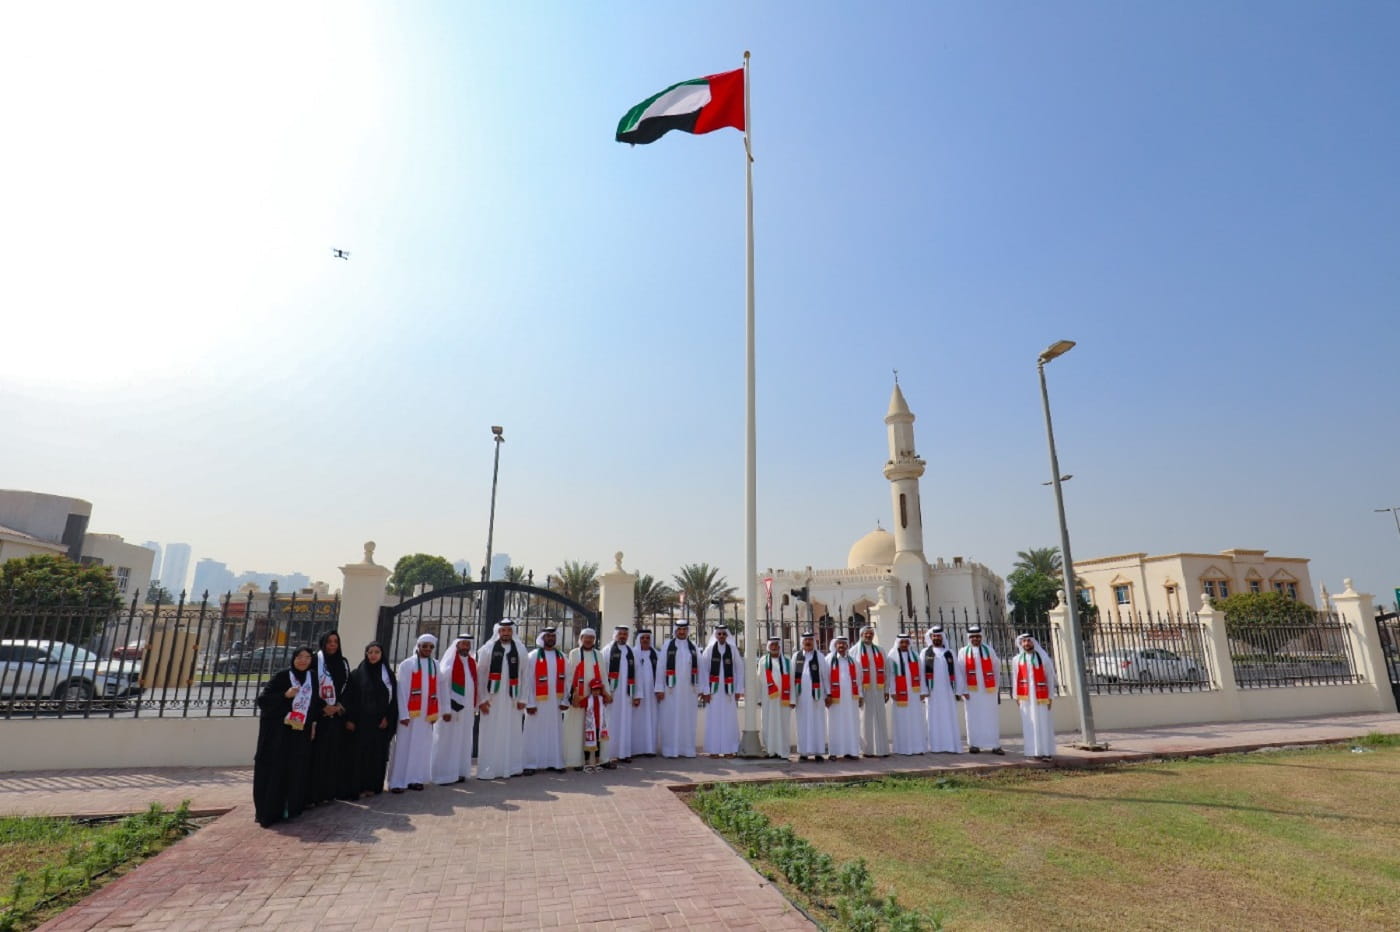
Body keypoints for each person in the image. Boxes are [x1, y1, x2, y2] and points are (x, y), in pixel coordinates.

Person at [253, 645, 317, 827]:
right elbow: (263, 701)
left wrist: (313, 724)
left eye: (307, 657)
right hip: (278, 734)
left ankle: (291, 808)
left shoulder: (311, 678)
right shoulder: (283, 676)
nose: (303, 660)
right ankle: (270, 811)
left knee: (294, 768)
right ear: (293, 658)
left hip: (299, 731)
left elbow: (313, 703)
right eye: (299, 656)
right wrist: (285, 695)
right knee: (276, 770)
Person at [476, 619, 527, 780]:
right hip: (491, 701)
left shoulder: (520, 649)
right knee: (490, 734)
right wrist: (482, 700)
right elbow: (480, 675)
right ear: (498, 632)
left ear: (513, 632)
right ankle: (488, 769)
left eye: (509, 631)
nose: (506, 633)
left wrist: (523, 699)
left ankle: (511, 767)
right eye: (503, 631)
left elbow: (526, 675)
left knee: (512, 732)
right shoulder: (488, 649)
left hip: (513, 700)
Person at [389, 634, 439, 792]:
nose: (427, 649)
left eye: (430, 647)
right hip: (409, 715)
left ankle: (415, 779)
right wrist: (403, 714)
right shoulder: (406, 665)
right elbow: (401, 692)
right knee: (404, 747)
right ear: (418, 646)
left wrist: (434, 713)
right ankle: (398, 781)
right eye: (424, 646)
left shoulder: (435, 665)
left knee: (421, 747)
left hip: (426, 715)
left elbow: (437, 690)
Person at [308, 630, 353, 804]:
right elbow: (309, 686)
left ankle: (328, 793)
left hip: (337, 716)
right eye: (329, 641)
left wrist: (339, 705)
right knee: (317, 756)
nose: (332, 645)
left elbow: (348, 687)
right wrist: (323, 707)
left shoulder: (343, 663)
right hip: (319, 716)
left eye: (335, 641)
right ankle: (313, 795)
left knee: (333, 755)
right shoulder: (315, 661)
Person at [346, 641, 397, 798]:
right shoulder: (357, 674)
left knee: (377, 756)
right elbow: (349, 699)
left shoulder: (388, 675)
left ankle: (373, 786)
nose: (373, 655)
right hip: (361, 724)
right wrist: (350, 719)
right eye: (370, 652)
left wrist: (388, 718)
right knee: (360, 756)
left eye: (377, 652)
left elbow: (393, 699)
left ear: (382, 655)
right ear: (366, 654)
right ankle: (359, 787)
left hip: (380, 724)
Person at [431, 633, 477, 784]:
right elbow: (442, 688)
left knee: (463, 740)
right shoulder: (449, 663)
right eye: (463, 644)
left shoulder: (471, 662)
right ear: (457, 645)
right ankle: (443, 774)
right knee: (447, 740)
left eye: (467, 644)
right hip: (451, 709)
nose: (465, 646)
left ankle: (459, 772)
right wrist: (445, 709)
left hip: (467, 710)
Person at [565, 628, 611, 772]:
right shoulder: (574, 653)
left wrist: (606, 693)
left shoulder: (598, 654)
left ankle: (597, 760)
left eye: (591, 638)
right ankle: (576, 760)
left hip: (596, 699)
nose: (589, 640)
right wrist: (572, 695)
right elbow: (570, 675)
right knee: (578, 727)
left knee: (596, 728)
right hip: (579, 698)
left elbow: (603, 675)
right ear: (581, 638)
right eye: (586, 637)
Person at [524, 627, 568, 773]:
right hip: (537, 702)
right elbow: (527, 681)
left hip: (555, 703)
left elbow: (567, 680)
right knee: (534, 732)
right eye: (548, 636)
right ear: (542, 638)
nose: (551, 639)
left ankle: (555, 762)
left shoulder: (562, 656)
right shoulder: (533, 656)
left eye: (553, 636)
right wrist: (529, 703)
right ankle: (530, 764)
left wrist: (564, 701)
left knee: (554, 732)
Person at [657, 620, 701, 759]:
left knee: (688, 719)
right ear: (675, 631)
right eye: (679, 629)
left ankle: (687, 749)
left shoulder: (693, 647)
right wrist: (659, 688)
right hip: (671, 690)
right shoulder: (667, 646)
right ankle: (670, 750)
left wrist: (702, 689)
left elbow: (701, 669)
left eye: (684, 630)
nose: (682, 632)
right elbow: (660, 667)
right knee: (670, 718)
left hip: (689, 691)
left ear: (687, 631)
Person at [699, 624, 744, 757]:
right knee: (713, 720)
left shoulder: (733, 650)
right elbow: (703, 671)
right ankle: (714, 750)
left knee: (729, 720)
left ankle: (730, 749)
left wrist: (738, 690)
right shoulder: (709, 650)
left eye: (724, 634)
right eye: (719, 634)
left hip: (729, 691)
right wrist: (705, 691)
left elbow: (739, 670)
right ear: (715, 635)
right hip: (713, 691)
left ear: (727, 635)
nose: (722, 636)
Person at [1013, 633, 1058, 760]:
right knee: (1029, 724)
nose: (1027, 643)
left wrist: (1050, 697)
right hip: (1025, 698)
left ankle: (1046, 752)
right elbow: (1015, 678)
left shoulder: (1043, 658)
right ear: (1021, 644)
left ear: (1034, 642)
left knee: (1043, 723)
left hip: (1041, 697)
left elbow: (1049, 678)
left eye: (1029, 641)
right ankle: (1033, 752)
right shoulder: (1017, 660)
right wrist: (1016, 696)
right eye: (1024, 641)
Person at [959, 625, 1003, 755]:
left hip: (988, 690)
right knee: (972, 717)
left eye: (978, 637)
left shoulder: (989, 650)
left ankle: (994, 745)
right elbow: (960, 672)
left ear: (981, 637)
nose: (975, 639)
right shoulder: (963, 652)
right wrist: (963, 690)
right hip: (971, 691)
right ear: (969, 638)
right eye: (973, 637)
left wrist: (995, 687)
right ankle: (974, 745)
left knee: (991, 716)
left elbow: (996, 668)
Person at [921, 626, 964, 754]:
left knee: (949, 717)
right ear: (931, 638)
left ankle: (951, 745)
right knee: (933, 717)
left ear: (942, 637)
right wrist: (923, 690)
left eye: (939, 636)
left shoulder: (949, 652)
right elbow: (921, 672)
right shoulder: (925, 653)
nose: (936, 638)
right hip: (932, 692)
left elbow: (957, 671)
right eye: (934, 636)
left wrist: (959, 690)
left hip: (948, 692)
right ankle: (935, 746)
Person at [600, 626, 638, 764]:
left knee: (626, 723)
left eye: (625, 634)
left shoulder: (631, 652)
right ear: (615, 635)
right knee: (611, 723)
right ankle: (608, 754)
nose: (622, 636)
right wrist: (605, 692)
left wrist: (637, 695)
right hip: (612, 694)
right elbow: (603, 673)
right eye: (620, 634)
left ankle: (624, 753)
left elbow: (637, 673)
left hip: (627, 694)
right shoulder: (607, 650)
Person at [887, 632, 927, 755]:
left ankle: (918, 747)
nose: (904, 644)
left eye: (906, 642)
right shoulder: (892, 656)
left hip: (914, 694)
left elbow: (921, 674)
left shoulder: (915, 655)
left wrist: (923, 690)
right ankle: (903, 748)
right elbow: (890, 675)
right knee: (902, 720)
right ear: (898, 643)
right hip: (900, 694)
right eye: (902, 642)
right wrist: (892, 691)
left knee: (916, 720)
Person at [791, 631, 829, 762]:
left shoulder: (819, 656)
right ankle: (804, 752)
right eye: (805, 641)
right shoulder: (796, 656)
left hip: (816, 696)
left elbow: (825, 676)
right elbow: (791, 677)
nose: (807, 642)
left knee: (818, 722)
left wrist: (827, 693)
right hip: (800, 696)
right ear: (802, 642)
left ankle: (818, 752)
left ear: (814, 642)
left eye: (810, 640)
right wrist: (792, 697)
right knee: (802, 723)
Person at [855, 625, 891, 758]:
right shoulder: (855, 651)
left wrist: (886, 689)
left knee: (880, 718)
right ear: (861, 635)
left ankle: (881, 749)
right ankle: (867, 750)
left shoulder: (880, 650)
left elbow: (887, 670)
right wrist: (858, 693)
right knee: (865, 719)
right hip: (864, 691)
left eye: (871, 633)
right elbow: (854, 674)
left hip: (879, 690)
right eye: (866, 634)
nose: (869, 636)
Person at [825, 636, 862, 759]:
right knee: (835, 725)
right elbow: (825, 679)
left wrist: (860, 696)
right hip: (835, 699)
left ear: (847, 646)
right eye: (839, 644)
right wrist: (828, 694)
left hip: (851, 699)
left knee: (851, 723)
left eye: (844, 644)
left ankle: (851, 751)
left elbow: (858, 679)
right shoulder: (829, 660)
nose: (841, 646)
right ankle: (834, 752)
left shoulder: (853, 661)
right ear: (835, 645)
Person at [756, 636, 792, 759]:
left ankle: (783, 751)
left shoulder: (787, 661)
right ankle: (769, 750)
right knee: (767, 724)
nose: (774, 647)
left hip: (784, 699)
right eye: (772, 645)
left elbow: (791, 681)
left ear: (780, 647)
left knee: (783, 725)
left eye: (776, 645)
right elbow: (759, 680)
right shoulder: (763, 661)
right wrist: (759, 698)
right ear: (768, 647)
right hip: (768, 699)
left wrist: (792, 699)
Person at [631, 629, 661, 758]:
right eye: (642, 638)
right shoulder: (632, 653)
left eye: (647, 638)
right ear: (638, 639)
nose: (645, 640)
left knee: (651, 719)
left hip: (652, 694)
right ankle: (635, 750)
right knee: (636, 720)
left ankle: (649, 749)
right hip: (637, 693)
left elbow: (660, 673)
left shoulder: (656, 654)